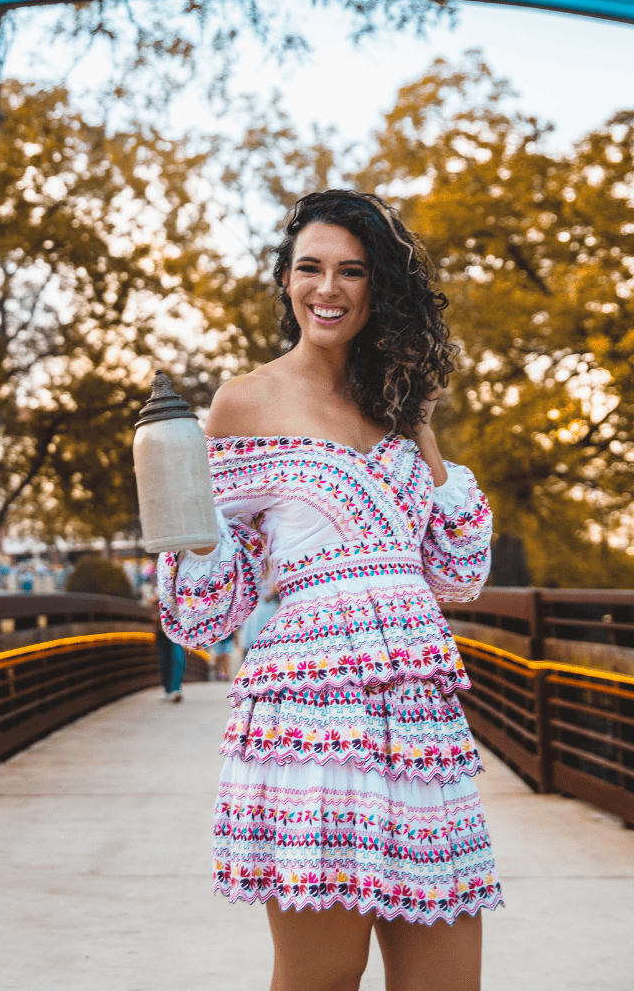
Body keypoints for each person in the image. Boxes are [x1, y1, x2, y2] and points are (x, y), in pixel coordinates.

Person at [158, 190, 501, 991]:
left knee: (448, 981)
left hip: (419, 717)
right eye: (309, 268)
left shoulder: (399, 403)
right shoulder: (245, 401)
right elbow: (209, 609)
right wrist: (185, 520)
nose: (329, 288)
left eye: (352, 271)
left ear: (378, 287)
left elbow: (460, 573)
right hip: (312, 712)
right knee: (323, 978)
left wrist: (418, 416)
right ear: (285, 281)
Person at [149, 593, 186, 703]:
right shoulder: (155, 578)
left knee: (176, 655)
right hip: (162, 624)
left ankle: (174, 689)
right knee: (165, 657)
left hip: (176, 623)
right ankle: (169, 690)